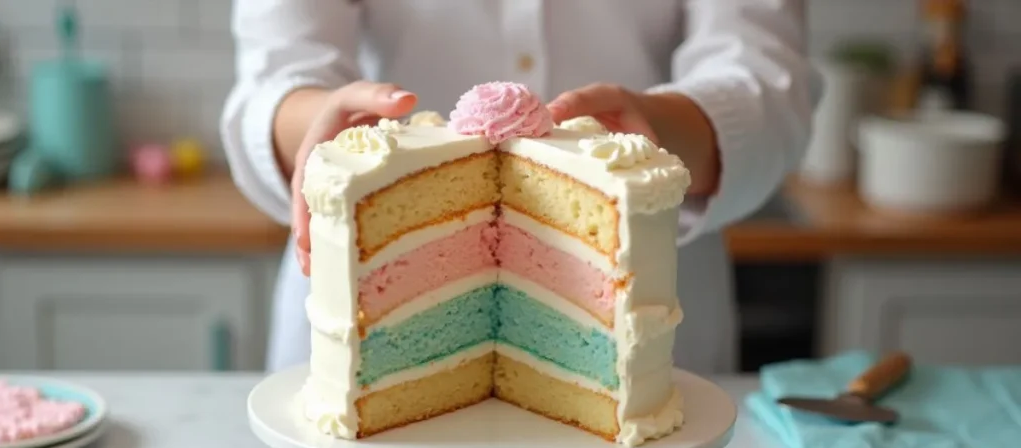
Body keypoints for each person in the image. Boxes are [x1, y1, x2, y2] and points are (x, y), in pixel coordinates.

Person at [221, 0, 820, 375]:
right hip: (367, 314)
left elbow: (769, 82)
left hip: (644, 317)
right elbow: (278, 73)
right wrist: (323, 123)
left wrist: (652, 132)